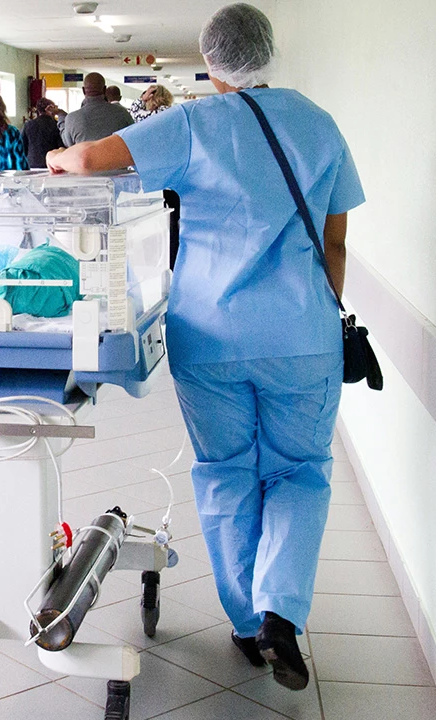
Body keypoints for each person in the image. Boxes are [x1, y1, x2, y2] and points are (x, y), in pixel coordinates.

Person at [47, 2, 364, 692]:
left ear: (210, 59)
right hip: (303, 336)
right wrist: (314, 309)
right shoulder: (319, 123)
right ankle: (282, 611)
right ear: (269, 51)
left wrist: (58, 150)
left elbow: (92, 160)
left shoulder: (193, 123)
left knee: (226, 471)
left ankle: (249, 626)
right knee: (299, 471)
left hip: (211, 335)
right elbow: (335, 243)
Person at [60, 72, 133, 146]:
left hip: (85, 157)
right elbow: (132, 138)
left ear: (83, 90)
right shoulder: (122, 114)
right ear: (105, 90)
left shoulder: (72, 118)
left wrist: (61, 117)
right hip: (116, 157)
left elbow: (68, 144)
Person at [23, 98, 67, 169]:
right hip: (51, 164)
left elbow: (23, 146)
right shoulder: (56, 125)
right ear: (49, 109)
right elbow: (61, 147)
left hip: (32, 164)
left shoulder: (28, 124)